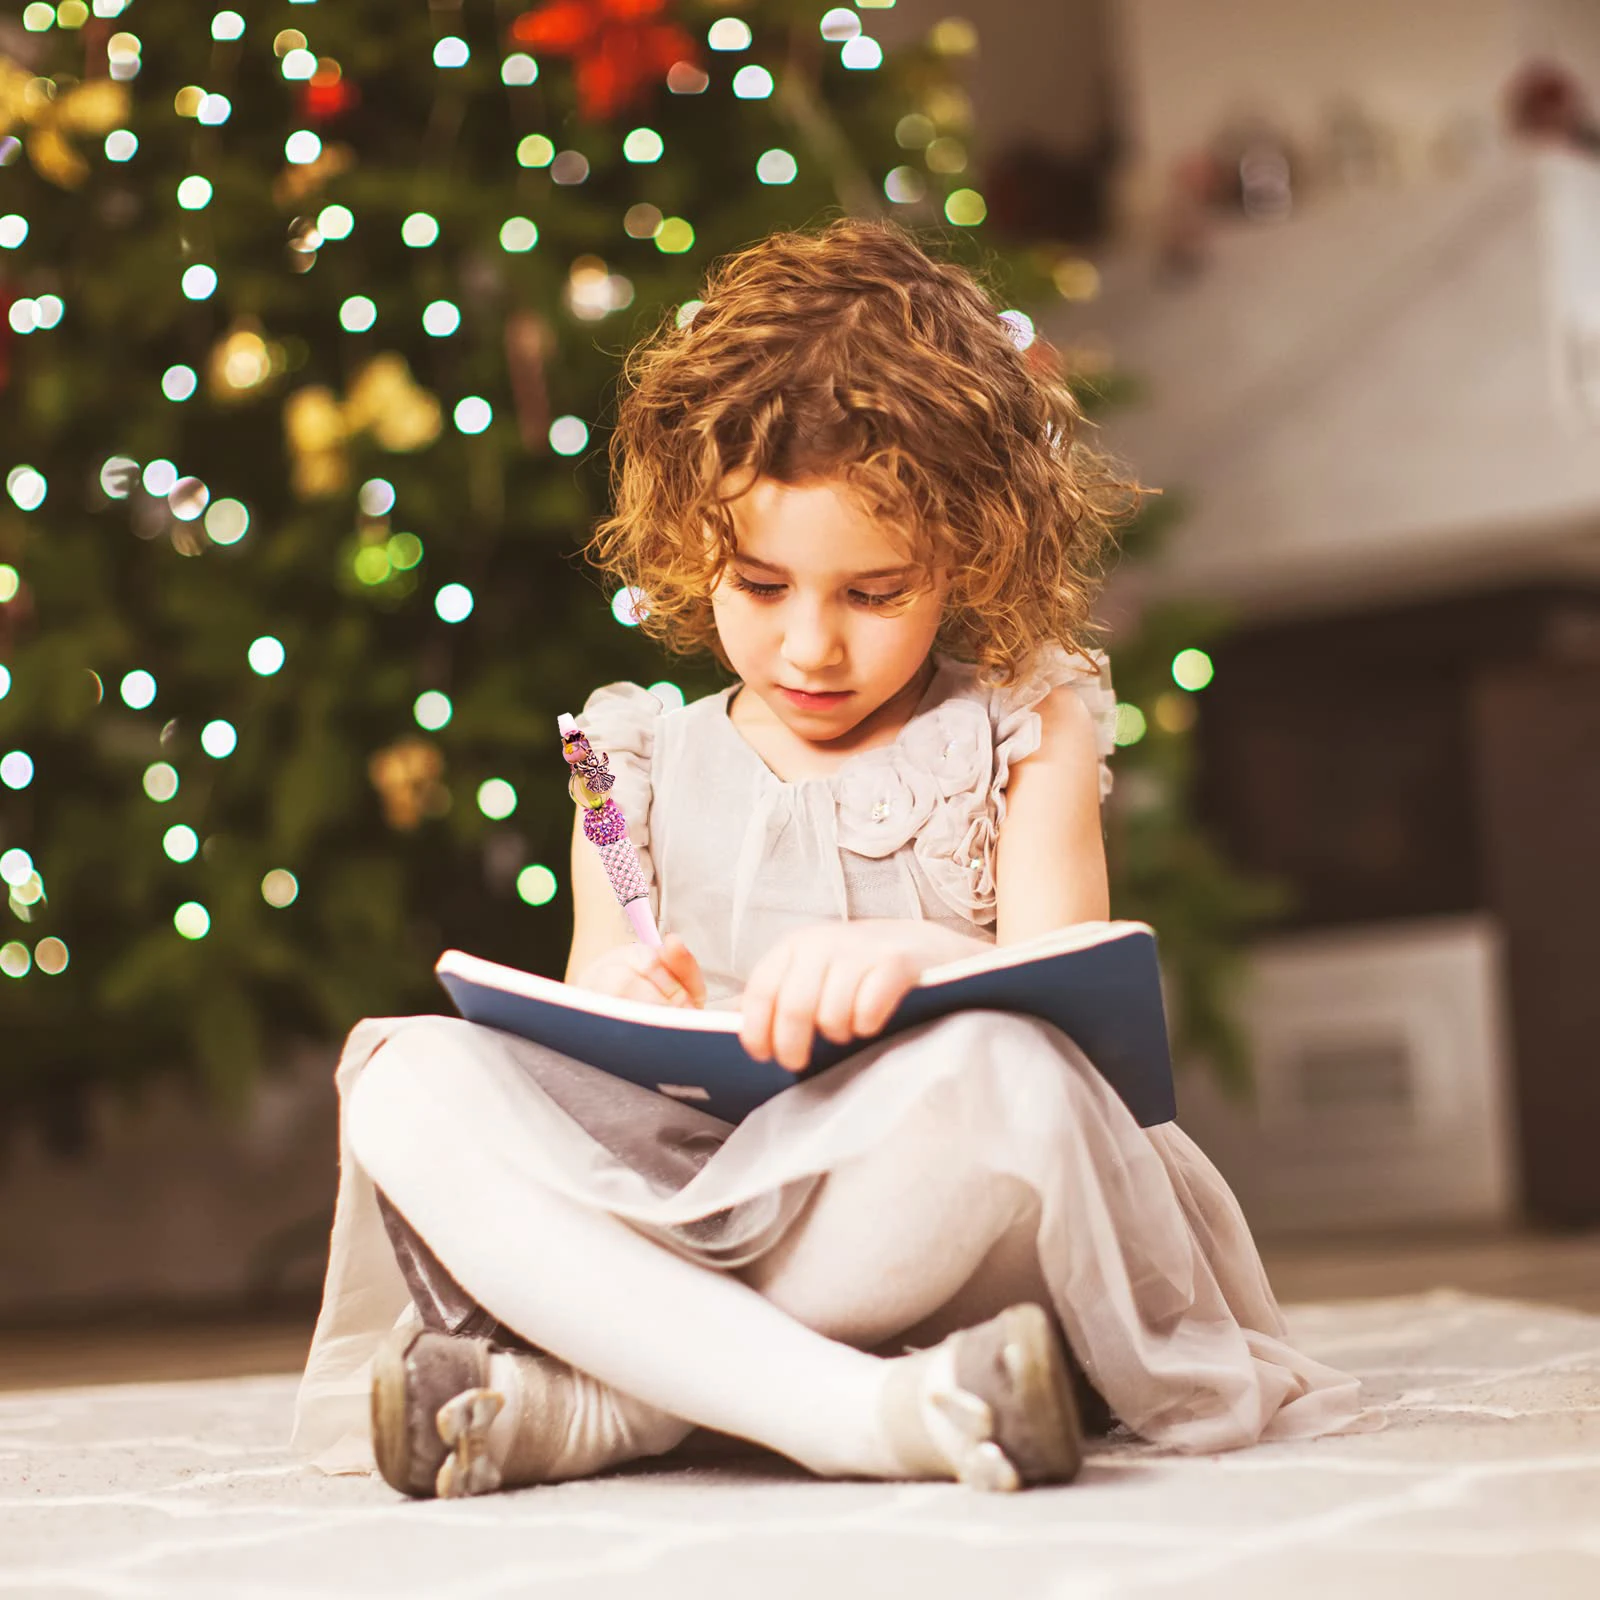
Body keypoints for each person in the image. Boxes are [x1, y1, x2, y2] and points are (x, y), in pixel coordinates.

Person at [292, 218, 1366, 1499]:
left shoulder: (1031, 723)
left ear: (970, 553)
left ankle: (623, 1395)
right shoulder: (630, 762)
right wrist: (628, 1003)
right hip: (702, 1193)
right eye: (759, 586)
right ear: (698, 548)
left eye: (871, 593)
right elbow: (595, 1020)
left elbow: (1079, 1041)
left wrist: (918, 960)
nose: (810, 648)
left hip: (939, 1205)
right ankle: (852, 1408)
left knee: (1002, 1072)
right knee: (405, 1076)